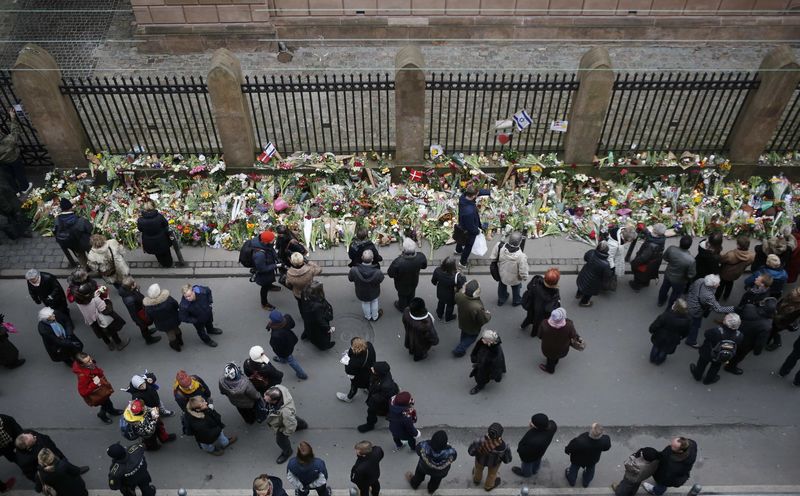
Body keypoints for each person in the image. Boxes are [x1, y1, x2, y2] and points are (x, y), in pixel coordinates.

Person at [724, 297, 776, 375]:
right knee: (738, 356)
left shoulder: (749, 307)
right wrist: (757, 351)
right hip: (745, 343)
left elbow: (737, 312)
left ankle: (722, 356)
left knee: (727, 346)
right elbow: (760, 341)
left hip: (734, 333)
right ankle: (730, 367)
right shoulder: (767, 325)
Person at [690, 313, 743, 385]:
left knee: (702, 364)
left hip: (707, 351)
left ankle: (697, 375)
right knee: (715, 367)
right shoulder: (739, 335)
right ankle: (708, 380)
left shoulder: (716, 331)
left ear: (726, 322)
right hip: (721, 354)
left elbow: (706, 334)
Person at [13, 431, 83, 486]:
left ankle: (76, 471)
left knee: (66, 464)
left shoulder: (28, 433)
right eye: (34, 439)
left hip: (57, 454)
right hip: (51, 470)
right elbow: (31, 475)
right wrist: (43, 482)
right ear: (28, 447)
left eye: (31, 435)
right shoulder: (24, 461)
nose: (35, 436)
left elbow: (41, 436)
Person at [74, 284, 129, 351]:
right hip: (101, 319)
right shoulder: (95, 299)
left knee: (101, 333)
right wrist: (106, 298)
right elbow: (104, 309)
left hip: (92, 320)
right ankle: (119, 344)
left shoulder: (78, 300)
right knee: (112, 331)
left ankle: (109, 344)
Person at [72, 352, 123, 423]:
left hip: (100, 388)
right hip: (98, 393)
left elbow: (95, 370)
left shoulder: (88, 365)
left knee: (107, 402)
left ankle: (111, 411)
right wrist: (94, 384)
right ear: (82, 364)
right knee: (106, 404)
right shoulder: (83, 377)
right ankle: (103, 414)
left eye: (90, 359)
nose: (91, 361)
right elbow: (83, 392)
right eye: (88, 361)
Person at [685, 274, 734, 348]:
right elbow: (718, 309)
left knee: (688, 318)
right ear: (713, 285)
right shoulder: (708, 296)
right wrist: (733, 308)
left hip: (689, 302)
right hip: (696, 310)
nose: (719, 284)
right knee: (695, 325)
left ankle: (685, 328)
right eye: (718, 283)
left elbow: (691, 288)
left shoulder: (700, 280)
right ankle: (691, 341)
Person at [265, 385, 309, 464]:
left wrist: (285, 433)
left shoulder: (285, 412)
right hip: (287, 417)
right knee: (293, 419)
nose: (264, 398)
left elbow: (291, 425)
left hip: (283, 422)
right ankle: (303, 425)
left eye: (268, 399)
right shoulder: (278, 389)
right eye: (265, 395)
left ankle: (287, 452)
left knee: (280, 440)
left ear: (275, 401)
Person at [405, 430, 457, 494]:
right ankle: (431, 490)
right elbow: (454, 458)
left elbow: (418, 450)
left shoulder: (424, 446)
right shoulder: (451, 452)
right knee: (435, 482)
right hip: (440, 472)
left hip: (424, 467)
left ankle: (414, 484)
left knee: (418, 476)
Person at [564, 423, 611, 488]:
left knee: (573, 470)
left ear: (591, 431)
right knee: (590, 471)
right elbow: (607, 447)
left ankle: (572, 482)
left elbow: (570, 448)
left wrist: (567, 451)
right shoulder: (605, 440)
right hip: (592, 460)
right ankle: (586, 483)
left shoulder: (580, 441)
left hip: (577, 460)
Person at [452, 280, 491, 357]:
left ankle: (462, 342)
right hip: (472, 326)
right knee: (471, 337)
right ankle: (459, 350)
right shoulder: (476, 307)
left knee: (464, 333)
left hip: (463, 320)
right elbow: (482, 319)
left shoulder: (459, 295)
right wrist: (488, 314)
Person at [468, 422, 511, 492]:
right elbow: (507, 459)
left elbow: (471, 451)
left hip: (480, 460)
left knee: (478, 469)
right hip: (494, 464)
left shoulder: (479, 441)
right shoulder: (504, 446)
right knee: (492, 474)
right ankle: (488, 486)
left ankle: (476, 480)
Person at [388, 238, 428, 311]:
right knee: (412, 293)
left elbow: (390, 274)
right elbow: (424, 266)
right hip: (414, 281)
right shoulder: (420, 256)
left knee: (402, 296)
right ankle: (410, 304)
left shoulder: (398, 262)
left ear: (404, 249)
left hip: (401, 284)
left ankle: (402, 308)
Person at [489, 231, 529, 306]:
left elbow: (493, 258)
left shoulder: (499, 246)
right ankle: (516, 301)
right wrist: (524, 278)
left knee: (502, 286)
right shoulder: (521, 256)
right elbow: (523, 271)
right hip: (515, 278)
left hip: (502, 273)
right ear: (520, 242)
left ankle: (501, 299)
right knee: (516, 288)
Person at [358, 361, 399, 433]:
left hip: (379, 399)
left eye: (374, 369)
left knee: (371, 410)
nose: (371, 369)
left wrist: (372, 399)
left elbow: (382, 397)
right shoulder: (383, 374)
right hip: (378, 393)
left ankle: (370, 424)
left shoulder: (386, 385)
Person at [512, 413, 557, 478]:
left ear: (537, 427)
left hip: (528, 457)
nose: (530, 422)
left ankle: (526, 474)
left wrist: (520, 451)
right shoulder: (553, 426)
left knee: (527, 465)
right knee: (537, 460)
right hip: (540, 452)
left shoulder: (533, 440)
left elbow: (523, 450)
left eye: (532, 422)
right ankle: (535, 470)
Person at [118, 277, 161, 345]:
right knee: (142, 326)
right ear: (131, 286)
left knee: (144, 325)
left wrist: (136, 289)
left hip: (140, 310)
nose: (136, 283)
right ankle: (149, 340)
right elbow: (134, 313)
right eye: (134, 282)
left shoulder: (129, 291)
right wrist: (139, 321)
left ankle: (147, 331)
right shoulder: (130, 300)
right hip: (139, 314)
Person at [648, 299, 692, 365]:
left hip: (660, 335)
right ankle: (658, 361)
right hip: (673, 339)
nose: (673, 303)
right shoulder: (687, 321)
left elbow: (656, 324)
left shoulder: (666, 315)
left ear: (676, 308)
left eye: (675, 303)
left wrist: (651, 330)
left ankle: (652, 358)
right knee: (664, 350)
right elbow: (686, 331)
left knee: (656, 346)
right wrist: (681, 337)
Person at [455, 185, 490, 268]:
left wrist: (489, 192)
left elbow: (476, 191)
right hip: (469, 229)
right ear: (474, 196)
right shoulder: (469, 211)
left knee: (460, 236)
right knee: (468, 245)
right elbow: (470, 227)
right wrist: (477, 231)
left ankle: (458, 249)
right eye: (477, 194)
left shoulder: (463, 197)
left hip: (462, 222)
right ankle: (462, 263)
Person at [267, 310, 308, 380]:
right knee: (288, 357)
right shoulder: (287, 317)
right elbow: (293, 324)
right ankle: (282, 359)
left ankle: (302, 374)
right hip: (291, 340)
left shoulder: (276, 335)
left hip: (284, 350)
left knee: (290, 360)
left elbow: (275, 346)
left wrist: (279, 353)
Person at [179, 283, 222, 348]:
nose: (188, 298)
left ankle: (211, 330)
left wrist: (210, 302)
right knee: (201, 331)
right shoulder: (184, 305)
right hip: (198, 320)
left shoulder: (201, 291)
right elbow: (182, 317)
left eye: (189, 295)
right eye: (186, 297)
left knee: (209, 323)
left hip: (207, 313)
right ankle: (207, 340)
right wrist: (195, 320)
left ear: (193, 291)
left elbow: (208, 291)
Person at [538, 308, 580, 374]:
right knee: (556, 356)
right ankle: (555, 361)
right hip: (562, 347)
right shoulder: (569, 326)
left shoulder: (544, 323)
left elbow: (539, 335)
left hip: (548, 347)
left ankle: (550, 369)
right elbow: (573, 335)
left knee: (550, 358)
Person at [520, 268, 561, 337]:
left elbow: (529, 287)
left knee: (529, 318)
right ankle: (533, 334)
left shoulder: (536, 281)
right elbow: (551, 308)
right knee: (536, 325)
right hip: (541, 314)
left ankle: (523, 326)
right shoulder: (554, 294)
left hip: (532, 307)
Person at [143, 283, 183, 352]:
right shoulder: (168, 299)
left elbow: (149, 318)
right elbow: (176, 305)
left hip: (162, 324)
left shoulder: (148, 307)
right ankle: (180, 341)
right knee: (176, 329)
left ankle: (176, 347)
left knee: (170, 333)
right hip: (174, 319)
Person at [0, 107, 31, 195]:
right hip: (13, 158)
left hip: (2, 161)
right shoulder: (8, 140)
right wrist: (13, 118)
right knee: (19, 173)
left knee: (10, 177)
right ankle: (25, 187)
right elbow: (15, 132)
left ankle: (16, 191)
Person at [658, 235, 696, 307]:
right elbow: (691, 274)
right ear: (690, 246)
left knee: (664, 288)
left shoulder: (671, 249)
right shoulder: (691, 260)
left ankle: (660, 301)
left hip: (668, 274)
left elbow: (665, 258)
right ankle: (670, 307)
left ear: (680, 242)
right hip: (680, 280)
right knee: (676, 294)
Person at [54, 198, 92, 268]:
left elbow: (55, 230)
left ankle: (85, 268)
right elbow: (90, 229)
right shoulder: (80, 220)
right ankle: (94, 267)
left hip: (72, 244)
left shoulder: (57, 219)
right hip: (84, 242)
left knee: (81, 256)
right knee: (91, 254)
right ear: (71, 208)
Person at [336, 337, 376, 403]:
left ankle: (349, 398)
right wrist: (350, 352)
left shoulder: (355, 362)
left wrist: (345, 360)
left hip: (360, 376)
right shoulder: (369, 345)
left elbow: (349, 371)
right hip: (370, 372)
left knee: (354, 385)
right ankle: (368, 390)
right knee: (369, 383)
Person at [349, 249, 385, 321]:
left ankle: (368, 316)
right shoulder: (377, 272)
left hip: (361, 292)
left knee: (365, 303)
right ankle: (375, 317)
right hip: (374, 291)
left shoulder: (354, 270)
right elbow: (381, 279)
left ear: (362, 258)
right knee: (374, 302)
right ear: (372, 259)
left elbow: (350, 279)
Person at [137, 201, 175, 268]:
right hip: (162, 239)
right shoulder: (159, 217)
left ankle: (162, 263)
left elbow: (140, 229)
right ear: (153, 207)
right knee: (166, 253)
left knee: (157, 253)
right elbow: (166, 224)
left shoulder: (140, 220)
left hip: (149, 241)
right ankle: (169, 264)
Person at [300, 281, 336, 350]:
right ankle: (324, 346)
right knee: (321, 335)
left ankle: (307, 335)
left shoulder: (304, 293)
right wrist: (328, 328)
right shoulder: (317, 305)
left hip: (307, 317)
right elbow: (320, 320)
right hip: (316, 323)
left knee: (309, 328)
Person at [629, 224, 666, 291]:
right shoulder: (661, 238)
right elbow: (650, 236)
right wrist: (644, 229)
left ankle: (636, 286)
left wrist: (634, 263)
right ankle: (646, 283)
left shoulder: (651, 245)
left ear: (656, 233)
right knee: (648, 273)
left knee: (639, 274)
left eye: (653, 230)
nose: (652, 230)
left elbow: (643, 258)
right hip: (654, 261)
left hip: (646, 263)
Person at [251, 230, 281, 311]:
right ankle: (264, 303)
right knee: (264, 287)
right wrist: (276, 265)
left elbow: (271, 250)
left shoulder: (265, 243)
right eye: (272, 241)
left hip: (269, 267)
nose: (274, 241)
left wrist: (276, 258)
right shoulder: (259, 254)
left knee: (269, 281)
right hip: (263, 274)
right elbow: (262, 269)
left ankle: (270, 286)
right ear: (266, 242)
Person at [469, 329, 506, 394]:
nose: (482, 340)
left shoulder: (496, 351)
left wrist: (495, 374)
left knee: (481, 377)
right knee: (480, 376)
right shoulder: (483, 341)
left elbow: (497, 365)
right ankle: (480, 385)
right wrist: (474, 358)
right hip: (481, 363)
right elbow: (476, 349)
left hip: (486, 367)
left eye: (484, 339)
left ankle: (479, 386)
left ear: (490, 341)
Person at [717, 236, 755, 300]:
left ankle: (717, 297)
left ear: (738, 245)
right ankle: (726, 296)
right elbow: (748, 263)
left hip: (725, 273)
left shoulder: (730, 255)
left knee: (721, 285)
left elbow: (721, 260)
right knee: (730, 284)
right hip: (736, 274)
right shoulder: (751, 256)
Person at [430, 256, 466, 323]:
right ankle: (448, 317)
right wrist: (462, 274)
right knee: (450, 306)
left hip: (440, 292)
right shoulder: (456, 276)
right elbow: (462, 285)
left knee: (441, 302)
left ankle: (439, 314)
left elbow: (433, 281)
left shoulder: (437, 270)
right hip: (451, 295)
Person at [576, 242, 612, 307]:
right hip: (593, 283)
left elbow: (585, 258)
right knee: (588, 293)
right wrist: (605, 284)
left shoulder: (591, 252)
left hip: (583, 274)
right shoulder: (606, 264)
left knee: (581, 285)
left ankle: (578, 294)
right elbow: (606, 276)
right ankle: (584, 302)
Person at [285, 252, 321, 316]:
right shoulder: (310, 270)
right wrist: (309, 262)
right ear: (302, 260)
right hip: (309, 291)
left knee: (300, 304)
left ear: (292, 262)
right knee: (310, 303)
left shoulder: (289, 273)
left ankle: (303, 315)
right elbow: (319, 269)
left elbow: (287, 283)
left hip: (298, 293)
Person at [767, 287, 800, 351]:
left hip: (782, 322)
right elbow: (781, 301)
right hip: (777, 315)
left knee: (773, 330)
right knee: (772, 329)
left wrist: (776, 316)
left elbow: (789, 318)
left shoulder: (798, 308)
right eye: (796, 290)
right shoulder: (791, 295)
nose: (794, 291)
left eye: (797, 292)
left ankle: (777, 342)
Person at [606, 225, 636, 290]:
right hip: (613, 262)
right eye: (630, 240)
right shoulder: (614, 245)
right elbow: (609, 257)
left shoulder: (622, 231)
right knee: (609, 275)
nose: (631, 242)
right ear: (626, 239)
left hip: (617, 258)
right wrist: (613, 268)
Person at [0, 414, 22, 492]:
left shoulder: (7, 419)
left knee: (12, 456)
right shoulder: (6, 419)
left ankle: (3, 488)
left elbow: (19, 433)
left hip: (7, 446)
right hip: (7, 446)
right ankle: (3, 488)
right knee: (13, 456)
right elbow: (20, 433)